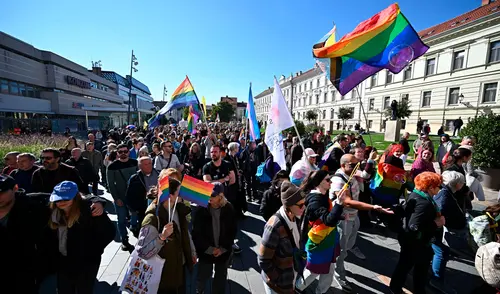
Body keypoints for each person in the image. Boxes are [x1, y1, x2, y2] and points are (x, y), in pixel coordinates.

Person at [0, 174, 106, 294]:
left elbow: (72, 197)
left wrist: (97, 201)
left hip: (29, 271)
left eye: (1, 192)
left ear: (15, 188)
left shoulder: (31, 203)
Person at [330, 154, 393, 292]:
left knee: (348, 245)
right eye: (352, 165)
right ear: (342, 166)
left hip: (354, 217)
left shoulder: (351, 173)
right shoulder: (337, 180)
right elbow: (346, 201)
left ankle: (342, 258)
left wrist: (370, 161)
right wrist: (372, 207)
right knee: (340, 250)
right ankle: (338, 273)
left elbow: (365, 175)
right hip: (343, 220)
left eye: (357, 164)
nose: (356, 167)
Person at [48, 181, 115, 294]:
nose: (61, 202)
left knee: (84, 290)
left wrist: (93, 251)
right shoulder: (53, 212)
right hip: (63, 260)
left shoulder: (90, 211)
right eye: (58, 199)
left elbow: (109, 232)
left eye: (66, 199)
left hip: (86, 263)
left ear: (75, 197)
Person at [136, 175, 196, 294]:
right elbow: (142, 251)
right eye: (179, 192)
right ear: (170, 196)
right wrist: (161, 237)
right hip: (163, 276)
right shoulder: (152, 219)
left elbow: (185, 232)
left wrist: (192, 251)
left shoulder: (178, 208)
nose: (182, 196)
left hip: (179, 267)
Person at [390, 172, 445, 294]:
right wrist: (436, 224)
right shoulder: (424, 203)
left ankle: (397, 287)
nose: (440, 188)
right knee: (414, 267)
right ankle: (402, 288)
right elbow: (414, 226)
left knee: (407, 266)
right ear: (430, 187)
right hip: (417, 243)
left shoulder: (416, 194)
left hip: (411, 241)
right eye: (438, 186)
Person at [295, 170, 345, 294]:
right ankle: (297, 288)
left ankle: (321, 291)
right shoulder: (314, 200)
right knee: (314, 270)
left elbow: (327, 215)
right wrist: (338, 204)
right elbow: (328, 221)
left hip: (328, 239)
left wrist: (340, 215)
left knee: (330, 268)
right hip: (319, 242)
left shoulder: (322, 195)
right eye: (327, 180)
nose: (331, 182)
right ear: (318, 183)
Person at [258, 181, 305, 294]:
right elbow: (263, 260)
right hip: (277, 285)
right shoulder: (274, 226)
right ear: (289, 206)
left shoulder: (296, 216)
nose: (304, 207)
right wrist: (277, 278)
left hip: (289, 278)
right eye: (301, 205)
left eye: (305, 203)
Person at [193, 183, 237, 294]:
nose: (209, 198)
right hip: (206, 251)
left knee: (220, 279)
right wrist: (209, 249)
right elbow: (197, 233)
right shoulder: (200, 209)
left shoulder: (229, 208)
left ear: (220, 196)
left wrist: (222, 248)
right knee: (203, 275)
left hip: (223, 250)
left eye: (212, 195)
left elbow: (232, 231)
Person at [430, 171, 467, 294]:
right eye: (462, 183)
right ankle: (436, 280)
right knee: (441, 253)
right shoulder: (445, 194)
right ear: (457, 184)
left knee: (440, 252)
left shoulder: (445, 191)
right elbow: (438, 211)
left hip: (443, 229)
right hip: (441, 230)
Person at [107, 144, 138, 251]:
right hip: (120, 196)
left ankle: (134, 227)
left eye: (125, 151)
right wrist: (116, 198)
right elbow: (110, 184)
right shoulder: (112, 166)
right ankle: (124, 239)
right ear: (117, 153)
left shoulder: (135, 163)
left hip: (134, 196)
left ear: (128, 152)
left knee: (135, 213)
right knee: (121, 219)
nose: (123, 153)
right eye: (120, 152)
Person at [126, 156, 159, 237]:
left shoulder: (160, 174)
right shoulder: (135, 178)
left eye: (150, 163)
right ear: (140, 166)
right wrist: (134, 209)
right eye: (145, 164)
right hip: (143, 210)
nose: (148, 166)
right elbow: (130, 195)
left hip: (159, 208)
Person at [225, 142, 245, 218]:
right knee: (232, 198)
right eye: (237, 147)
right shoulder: (227, 158)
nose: (238, 149)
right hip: (231, 181)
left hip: (237, 180)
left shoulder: (235, 157)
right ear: (233, 148)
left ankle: (238, 213)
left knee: (237, 197)